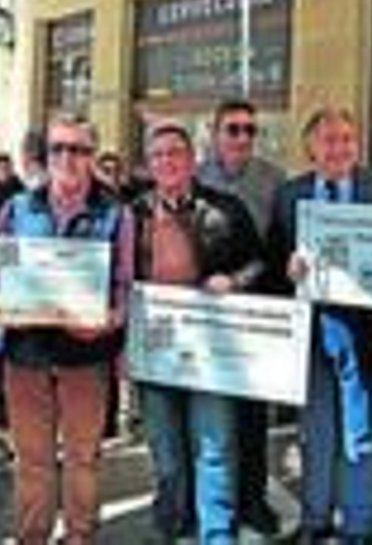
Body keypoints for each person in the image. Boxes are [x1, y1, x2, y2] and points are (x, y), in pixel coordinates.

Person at [0, 113, 133, 544]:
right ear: (46, 154)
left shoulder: (116, 214)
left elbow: (125, 287)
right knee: (31, 460)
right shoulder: (17, 208)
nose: (68, 158)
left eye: (79, 149)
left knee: (82, 458)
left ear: (92, 155)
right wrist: (0, 302)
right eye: (58, 148)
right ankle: (32, 536)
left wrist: (109, 321)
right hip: (26, 354)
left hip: (87, 356)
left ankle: (79, 535)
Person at [132, 120, 266, 544]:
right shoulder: (133, 214)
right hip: (156, 348)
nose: (167, 161)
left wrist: (234, 281)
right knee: (166, 451)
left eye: (175, 152)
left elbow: (259, 262)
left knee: (215, 446)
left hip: (212, 348)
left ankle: (216, 532)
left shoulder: (226, 208)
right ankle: (174, 524)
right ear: (149, 165)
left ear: (192, 160)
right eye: (158, 155)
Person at [268, 106, 372, 543]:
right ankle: (314, 520)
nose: (340, 148)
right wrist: (288, 269)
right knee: (315, 429)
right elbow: (273, 259)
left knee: (361, 430)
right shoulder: (290, 194)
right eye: (329, 140)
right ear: (310, 148)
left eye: (347, 139)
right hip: (312, 329)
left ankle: (358, 524)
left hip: (365, 329)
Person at [196, 98, 287, 534]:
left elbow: (280, 246)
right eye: (232, 129)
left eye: (250, 130)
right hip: (205, 308)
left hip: (257, 307)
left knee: (252, 413)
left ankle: (253, 500)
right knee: (209, 416)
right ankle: (210, 504)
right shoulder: (196, 177)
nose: (242, 137)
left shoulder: (274, 179)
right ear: (215, 134)